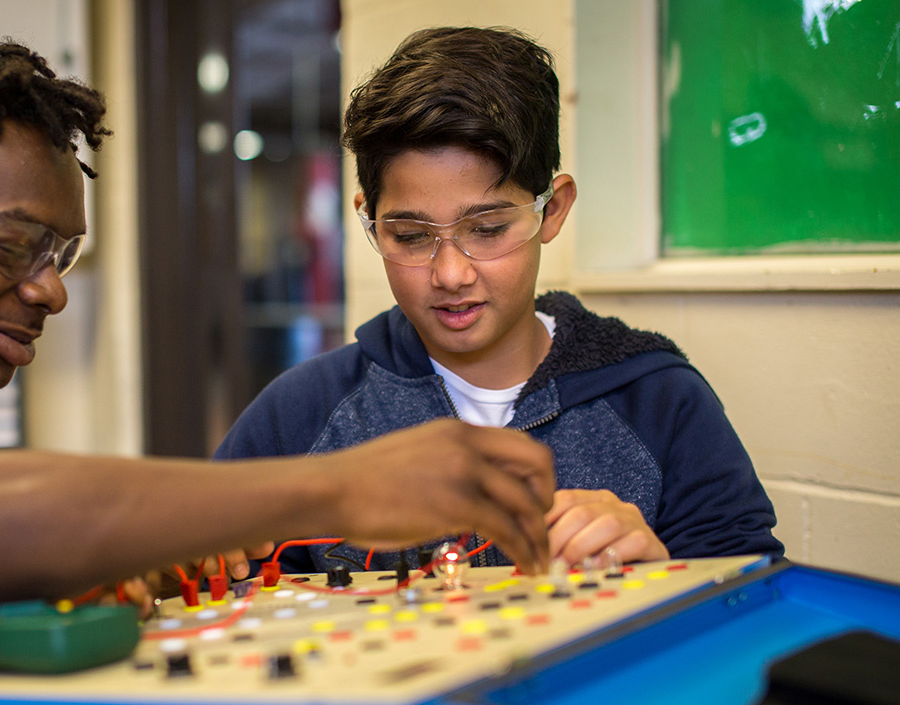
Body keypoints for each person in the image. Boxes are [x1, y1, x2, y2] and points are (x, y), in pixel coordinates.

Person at [0, 31, 557, 704]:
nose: (49, 292)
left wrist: (107, 578)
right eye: (13, 245)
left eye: (60, 254)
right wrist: (337, 488)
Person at [215, 26, 784, 575]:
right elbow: (215, 582)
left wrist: (660, 571)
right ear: (369, 218)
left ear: (552, 210)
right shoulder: (304, 414)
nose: (451, 274)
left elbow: (754, 600)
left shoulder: (659, 400)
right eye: (410, 236)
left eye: (487, 229)